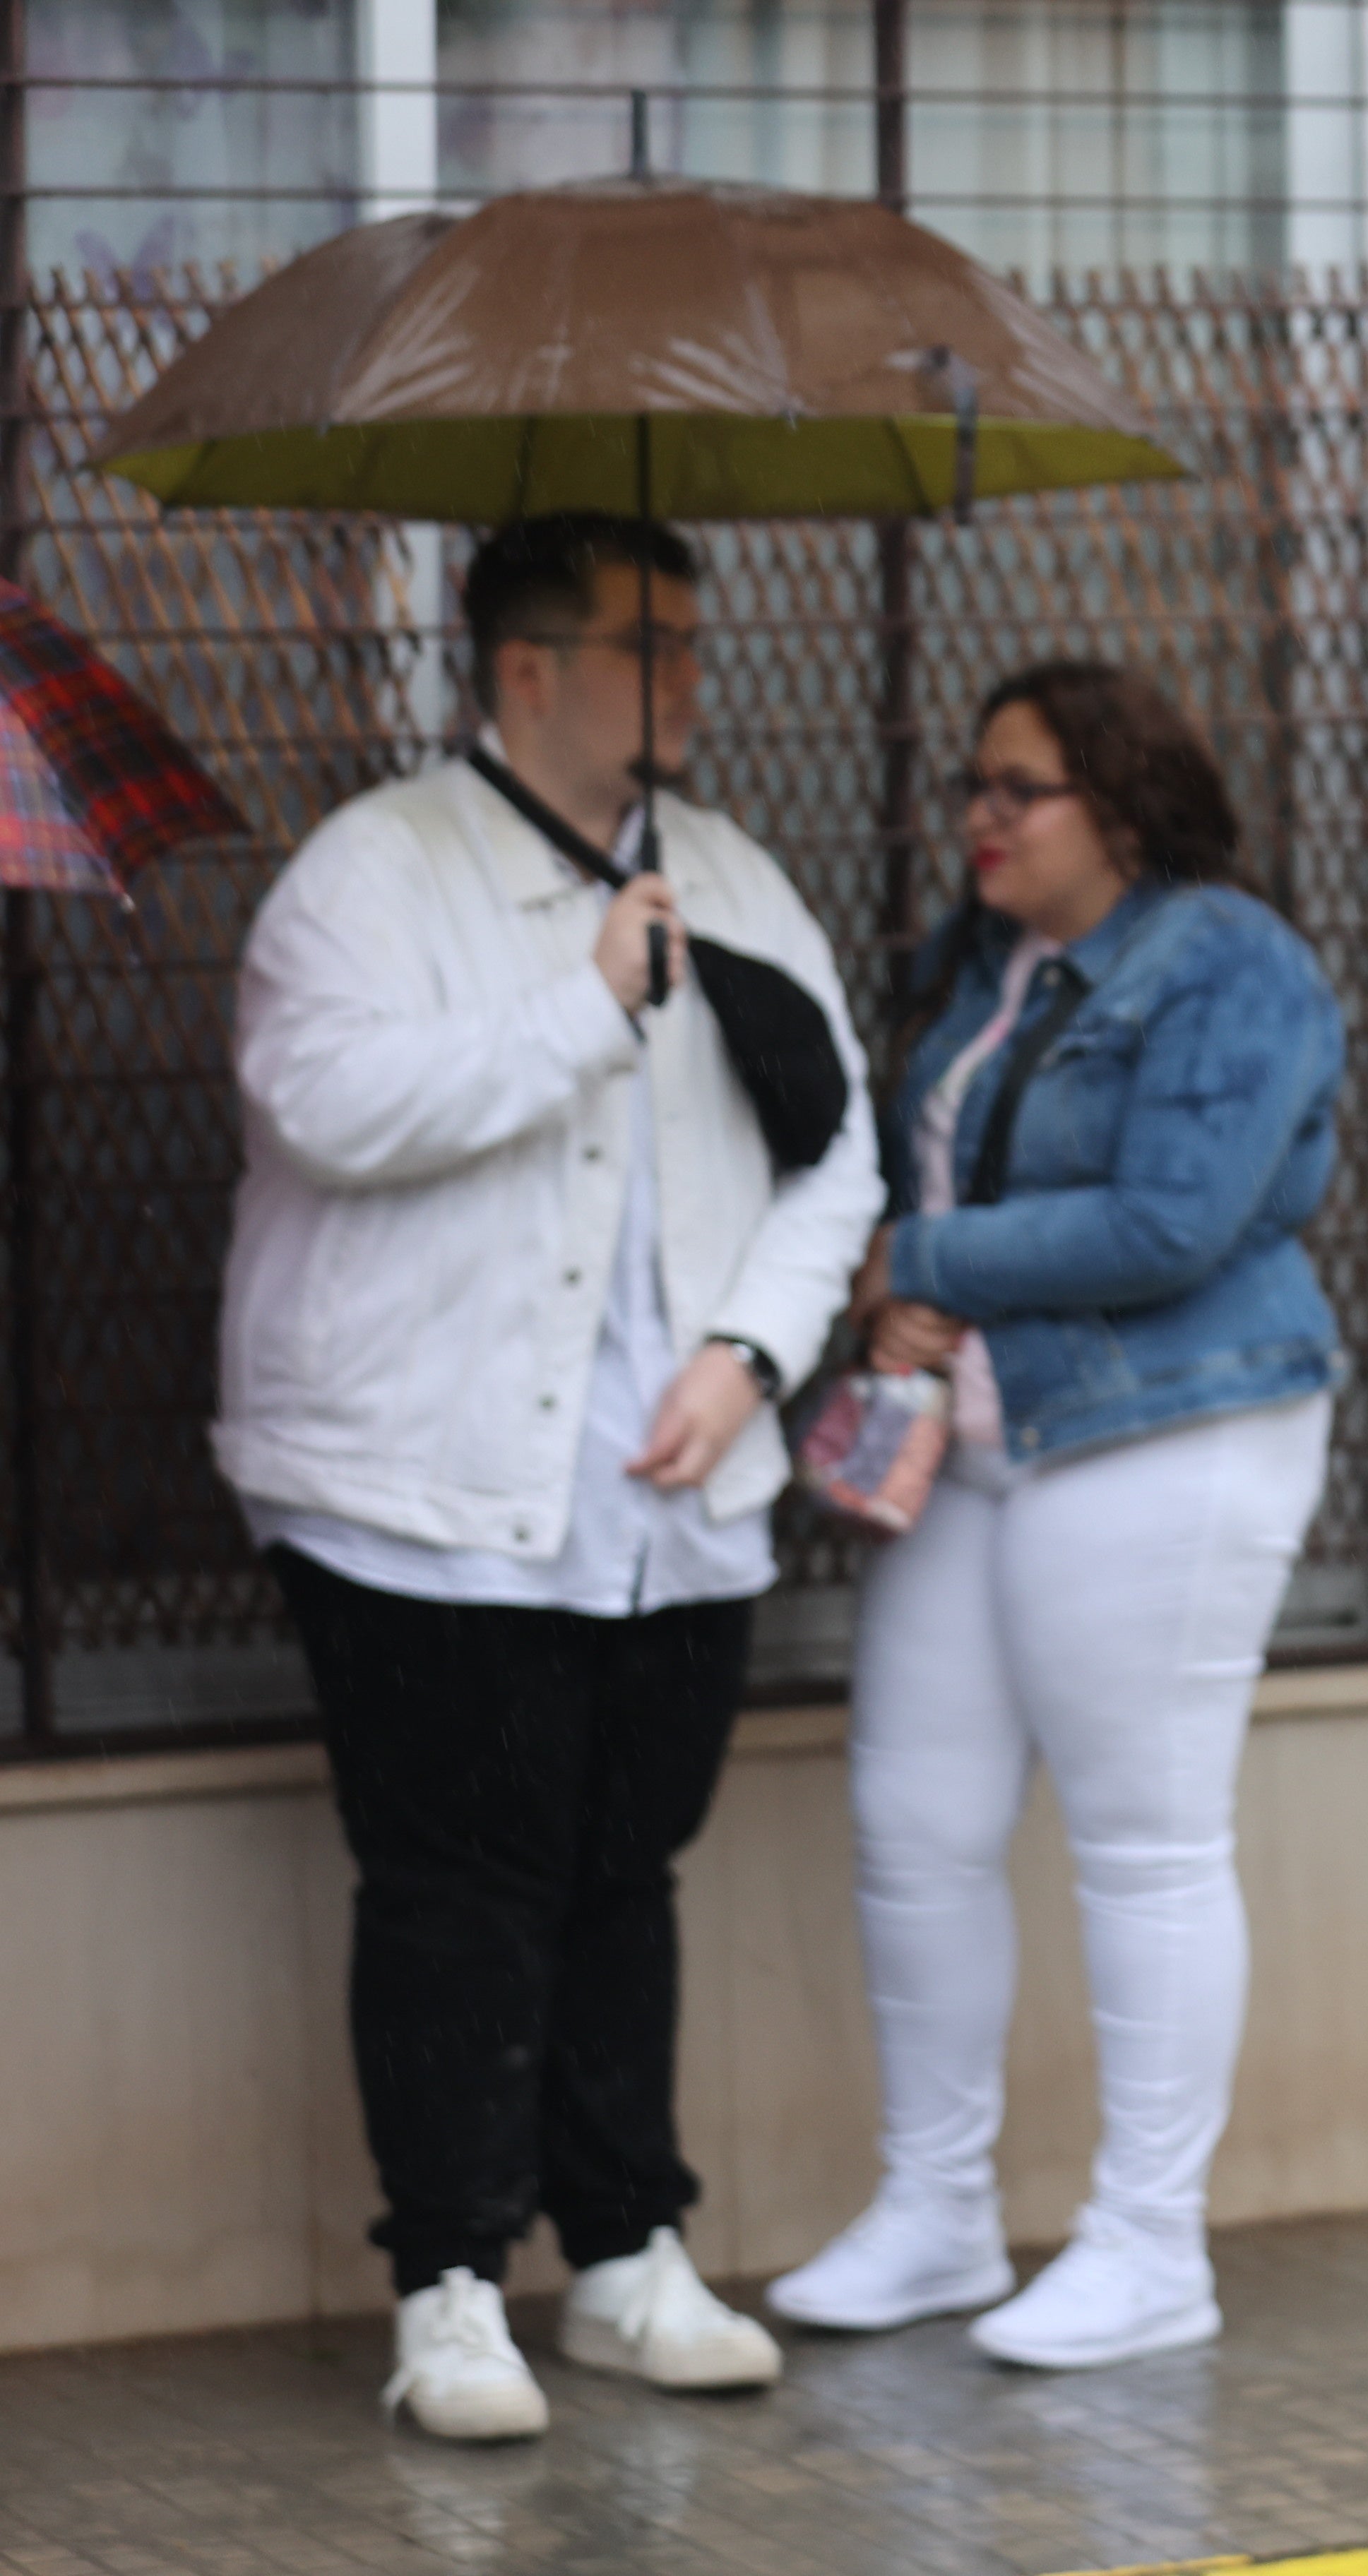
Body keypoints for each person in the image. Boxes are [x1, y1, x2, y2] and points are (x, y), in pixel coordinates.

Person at [219, 513, 882, 2442]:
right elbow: (323, 1109)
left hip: (667, 1499)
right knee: (453, 1887)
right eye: (648, 642)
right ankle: (446, 2284)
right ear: (526, 670)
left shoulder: (735, 873)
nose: (689, 675)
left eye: (693, 637)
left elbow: (834, 1153)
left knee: (622, 1874)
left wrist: (749, 1350)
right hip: (422, 1497)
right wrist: (582, 1003)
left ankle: (623, 2252)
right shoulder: (375, 873)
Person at [764, 662, 1347, 2371]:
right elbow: (939, 1180)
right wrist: (897, 1305)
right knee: (914, 1822)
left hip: (1173, 1423)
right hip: (986, 1434)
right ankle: (936, 2213)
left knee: (1145, 1840)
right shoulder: (987, 965)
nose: (982, 818)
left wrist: (922, 1267)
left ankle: (1151, 2249)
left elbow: (1177, 1218)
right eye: (973, 785)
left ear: (1125, 799)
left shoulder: (1231, 958)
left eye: (1022, 788)